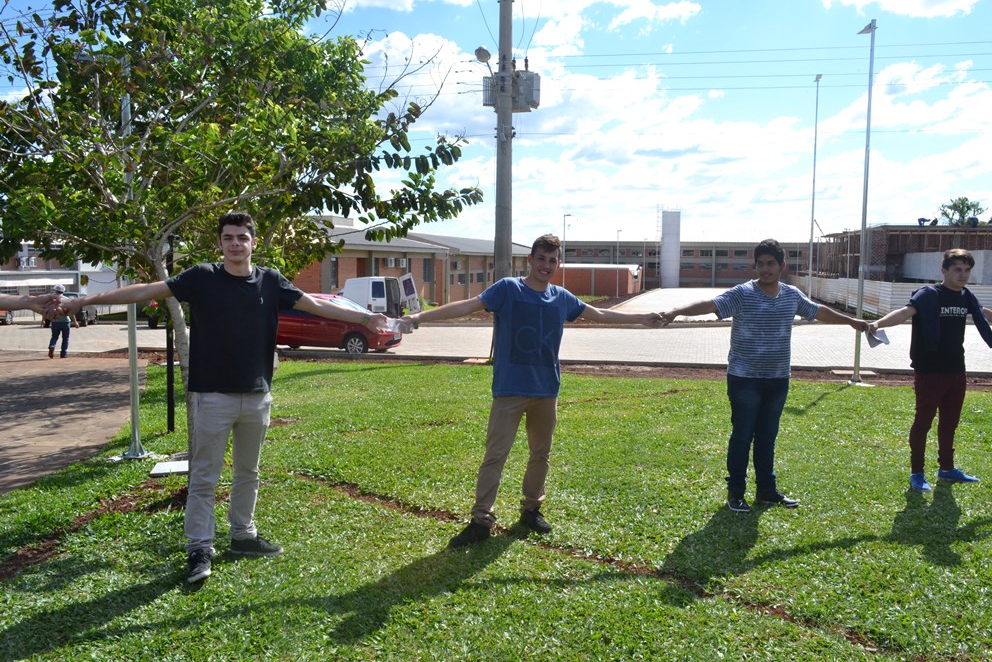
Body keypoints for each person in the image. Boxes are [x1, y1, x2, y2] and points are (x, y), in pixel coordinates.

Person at [60, 211, 389, 583]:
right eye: (228, 238)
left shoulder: (271, 281)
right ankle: (199, 549)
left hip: (257, 395)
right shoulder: (202, 277)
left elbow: (316, 304)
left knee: (249, 472)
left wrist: (364, 319)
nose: (235, 244)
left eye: (242, 238)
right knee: (204, 477)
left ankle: (243, 535)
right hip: (212, 396)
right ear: (220, 243)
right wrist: (85, 301)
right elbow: (146, 290)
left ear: (253, 243)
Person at [401, 234, 662, 548]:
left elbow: (601, 314)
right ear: (530, 260)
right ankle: (481, 520)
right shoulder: (508, 289)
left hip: (546, 391)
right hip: (509, 390)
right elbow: (468, 306)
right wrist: (419, 317)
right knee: (495, 456)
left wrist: (643, 318)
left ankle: (531, 510)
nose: (546, 266)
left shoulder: (561, 298)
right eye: (541, 259)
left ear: (558, 264)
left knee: (541, 455)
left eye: (552, 261)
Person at [662, 239, 867, 513]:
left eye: (770, 263)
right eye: (760, 264)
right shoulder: (743, 293)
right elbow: (710, 304)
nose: (765, 269)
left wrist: (852, 321)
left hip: (778, 379)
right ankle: (736, 492)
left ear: (782, 266)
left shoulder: (791, 295)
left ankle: (766, 491)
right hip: (744, 379)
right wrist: (675, 312)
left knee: (767, 437)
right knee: (742, 436)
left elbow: (818, 311)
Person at [867, 248, 992, 492]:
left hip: (956, 369)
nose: (963, 274)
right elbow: (905, 312)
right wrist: (877, 323)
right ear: (944, 271)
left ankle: (947, 469)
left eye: (967, 270)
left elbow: (982, 311)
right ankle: (917, 473)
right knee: (923, 422)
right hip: (929, 370)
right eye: (958, 269)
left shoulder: (966, 296)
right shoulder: (929, 295)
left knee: (950, 423)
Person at [43, 284, 79, 358]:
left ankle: (52, 346)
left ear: (55, 290)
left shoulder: (52, 300)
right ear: (63, 291)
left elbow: (46, 311)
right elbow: (71, 312)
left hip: (55, 321)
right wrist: (75, 322)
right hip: (65, 321)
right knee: (65, 338)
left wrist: (43, 320)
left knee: (54, 337)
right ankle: (63, 353)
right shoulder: (67, 300)